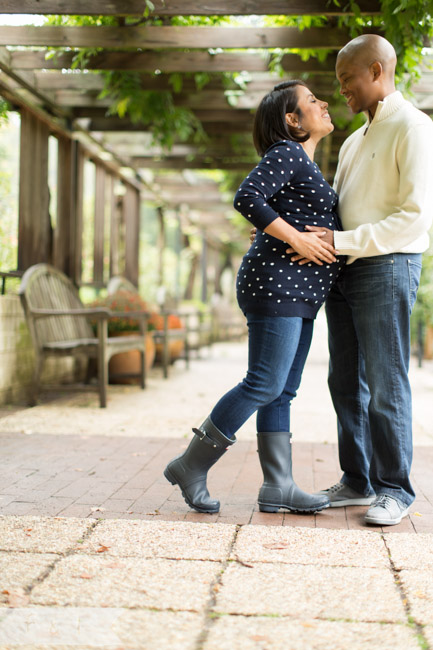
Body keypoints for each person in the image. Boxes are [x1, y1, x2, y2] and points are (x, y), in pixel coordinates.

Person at [164, 80, 344, 514]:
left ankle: (279, 486)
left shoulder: (305, 164)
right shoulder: (286, 153)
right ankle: (190, 464)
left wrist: (287, 229)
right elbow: (247, 197)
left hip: (298, 292)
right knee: (264, 382)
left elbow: (274, 207)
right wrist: (296, 240)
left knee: (282, 390)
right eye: (312, 100)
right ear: (291, 119)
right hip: (277, 285)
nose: (323, 103)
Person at [288, 35, 433, 526]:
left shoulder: (413, 127)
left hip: (388, 265)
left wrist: (342, 242)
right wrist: (284, 226)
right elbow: (335, 209)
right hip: (345, 270)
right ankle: (358, 480)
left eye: (347, 79)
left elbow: (414, 219)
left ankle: (395, 489)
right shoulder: (353, 140)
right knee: (345, 381)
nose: (341, 90)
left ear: (375, 70)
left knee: (386, 381)